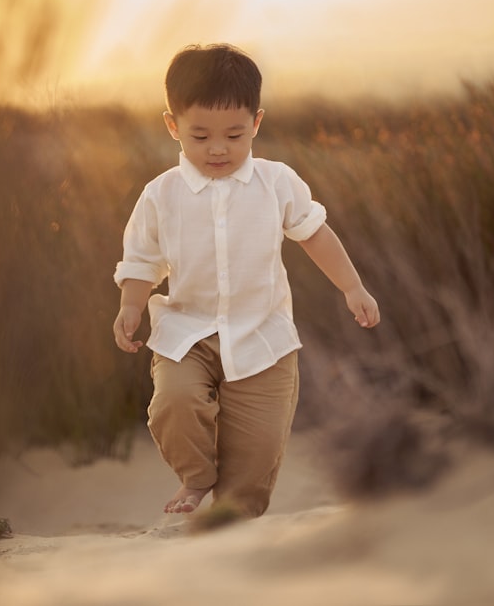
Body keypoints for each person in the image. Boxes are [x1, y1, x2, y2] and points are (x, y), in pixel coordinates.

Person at [113, 43, 380, 518]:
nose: (218, 148)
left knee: (256, 455)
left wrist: (352, 287)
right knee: (172, 401)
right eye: (200, 136)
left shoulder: (276, 183)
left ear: (256, 123)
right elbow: (141, 260)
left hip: (263, 337)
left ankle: (234, 520)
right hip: (187, 333)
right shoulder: (161, 194)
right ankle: (196, 477)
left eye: (234, 135)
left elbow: (315, 235)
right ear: (173, 126)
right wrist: (131, 306)